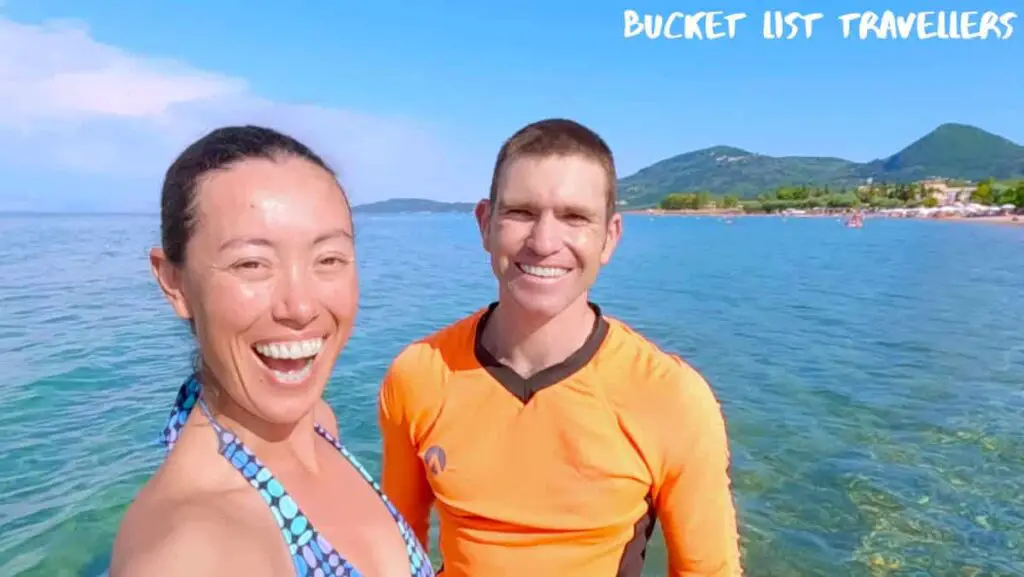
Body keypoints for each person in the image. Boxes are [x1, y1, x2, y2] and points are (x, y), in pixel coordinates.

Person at [378, 118, 742, 576]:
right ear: (485, 224)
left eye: (574, 217)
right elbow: (394, 550)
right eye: (521, 213)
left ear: (609, 238)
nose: (545, 242)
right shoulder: (420, 375)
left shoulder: (671, 398)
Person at [110, 125, 434, 577]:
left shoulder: (317, 421)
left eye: (329, 259)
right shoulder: (190, 549)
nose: (300, 307)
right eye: (251, 264)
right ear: (174, 282)